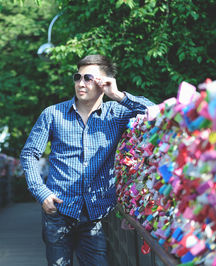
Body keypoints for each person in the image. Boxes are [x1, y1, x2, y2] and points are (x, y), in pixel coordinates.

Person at [20, 54, 154, 266]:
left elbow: (156, 114)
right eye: (77, 77)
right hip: (58, 210)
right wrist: (41, 192)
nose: (80, 83)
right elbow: (29, 155)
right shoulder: (52, 114)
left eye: (88, 78)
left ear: (104, 82)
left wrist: (118, 95)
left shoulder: (117, 114)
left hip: (97, 215)